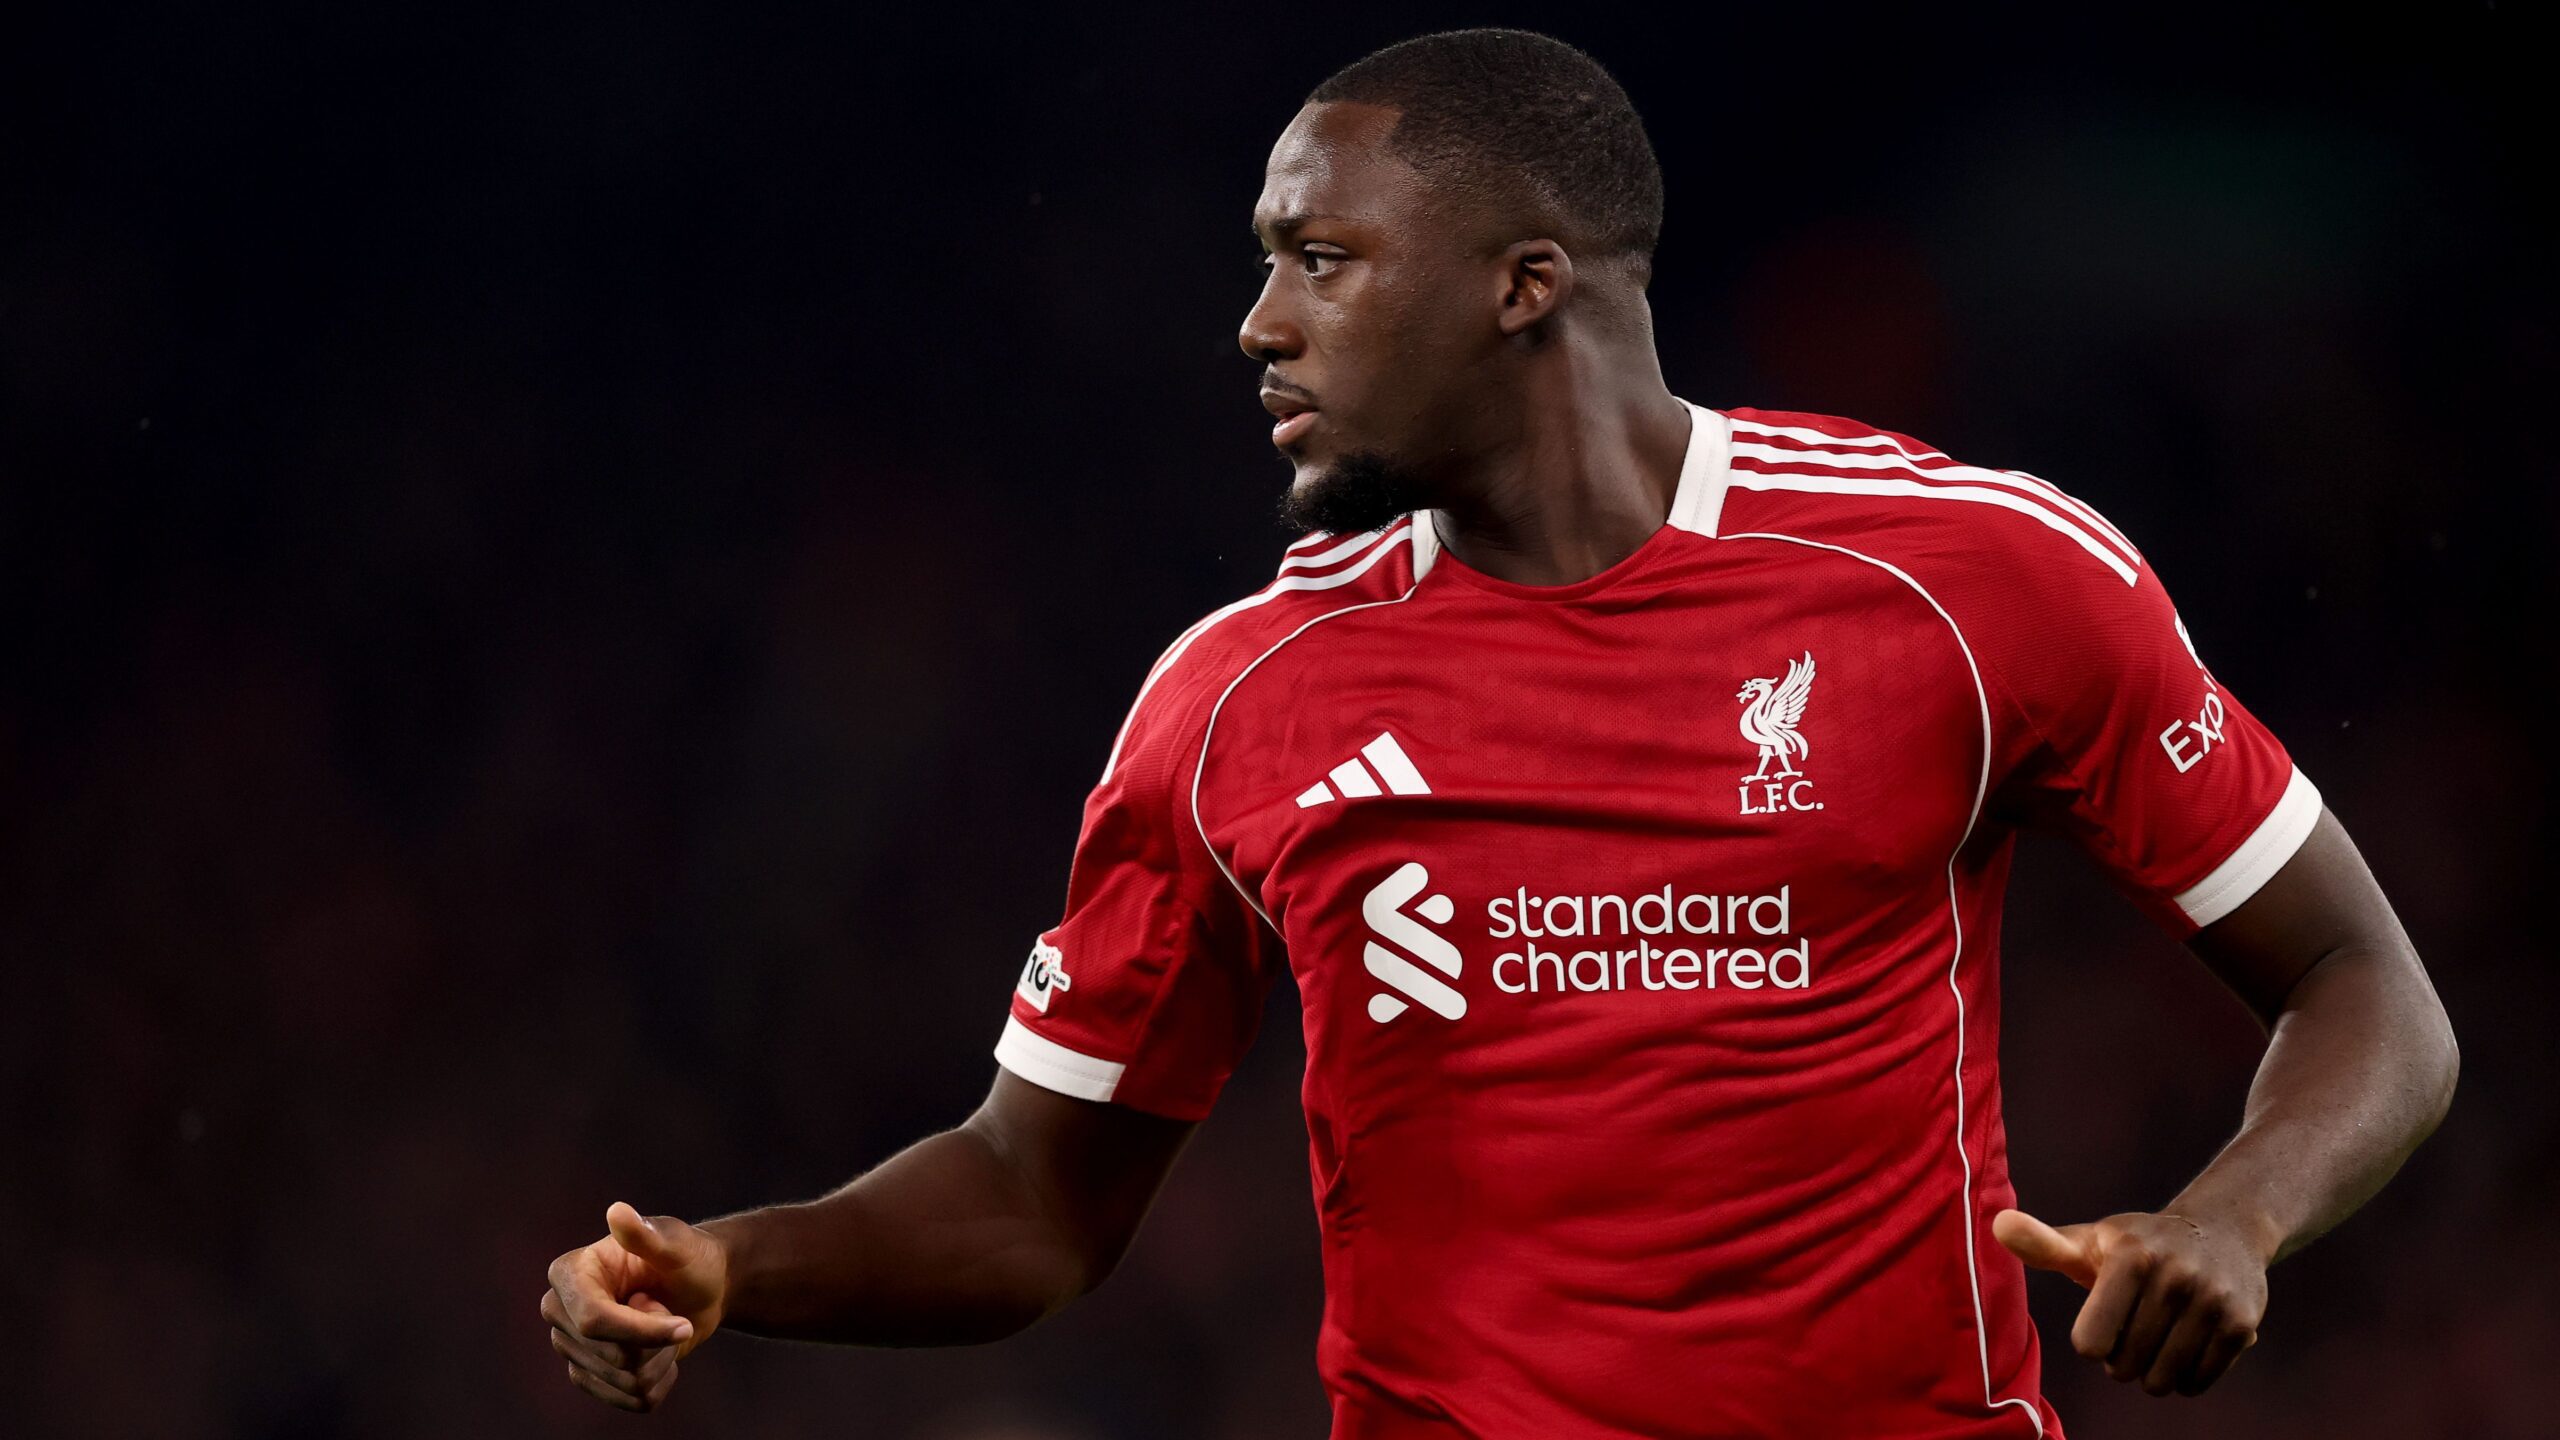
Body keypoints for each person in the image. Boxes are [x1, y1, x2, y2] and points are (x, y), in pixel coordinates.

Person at [541, 28, 2458, 1437]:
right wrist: (736, 1265)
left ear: (1526, 284)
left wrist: (2234, 1219)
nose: (1257, 323)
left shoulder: (1971, 580)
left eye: (1319, 258)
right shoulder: (1240, 697)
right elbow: (1036, 1200)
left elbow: (2369, 989)